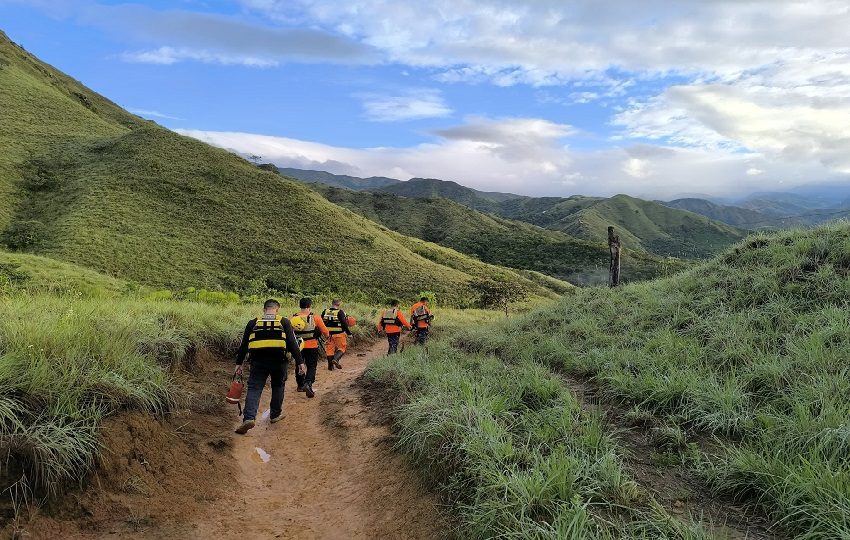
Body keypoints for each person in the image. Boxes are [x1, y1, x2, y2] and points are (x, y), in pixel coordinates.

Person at [233, 299, 305, 435]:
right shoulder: (283, 321)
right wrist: (300, 362)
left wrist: (239, 363)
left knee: (254, 388)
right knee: (278, 385)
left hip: (258, 361)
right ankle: (275, 415)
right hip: (279, 361)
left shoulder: (253, 322)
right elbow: (292, 343)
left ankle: (248, 418)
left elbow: (244, 345)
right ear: (277, 310)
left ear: (264, 309)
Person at [290, 297, 330, 398]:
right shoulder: (315, 317)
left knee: (299, 364)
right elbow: (325, 331)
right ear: (309, 306)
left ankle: (300, 385)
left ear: (300, 306)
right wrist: (328, 337)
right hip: (312, 345)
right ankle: (308, 383)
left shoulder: (292, 317)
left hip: (298, 347)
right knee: (311, 366)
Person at [321, 299, 353, 370]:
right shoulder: (340, 312)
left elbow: (321, 323)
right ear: (339, 304)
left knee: (329, 350)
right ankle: (335, 359)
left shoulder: (325, 311)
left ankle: (330, 367)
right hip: (339, 334)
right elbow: (344, 324)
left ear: (332, 303)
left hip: (328, 335)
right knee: (342, 348)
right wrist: (349, 333)